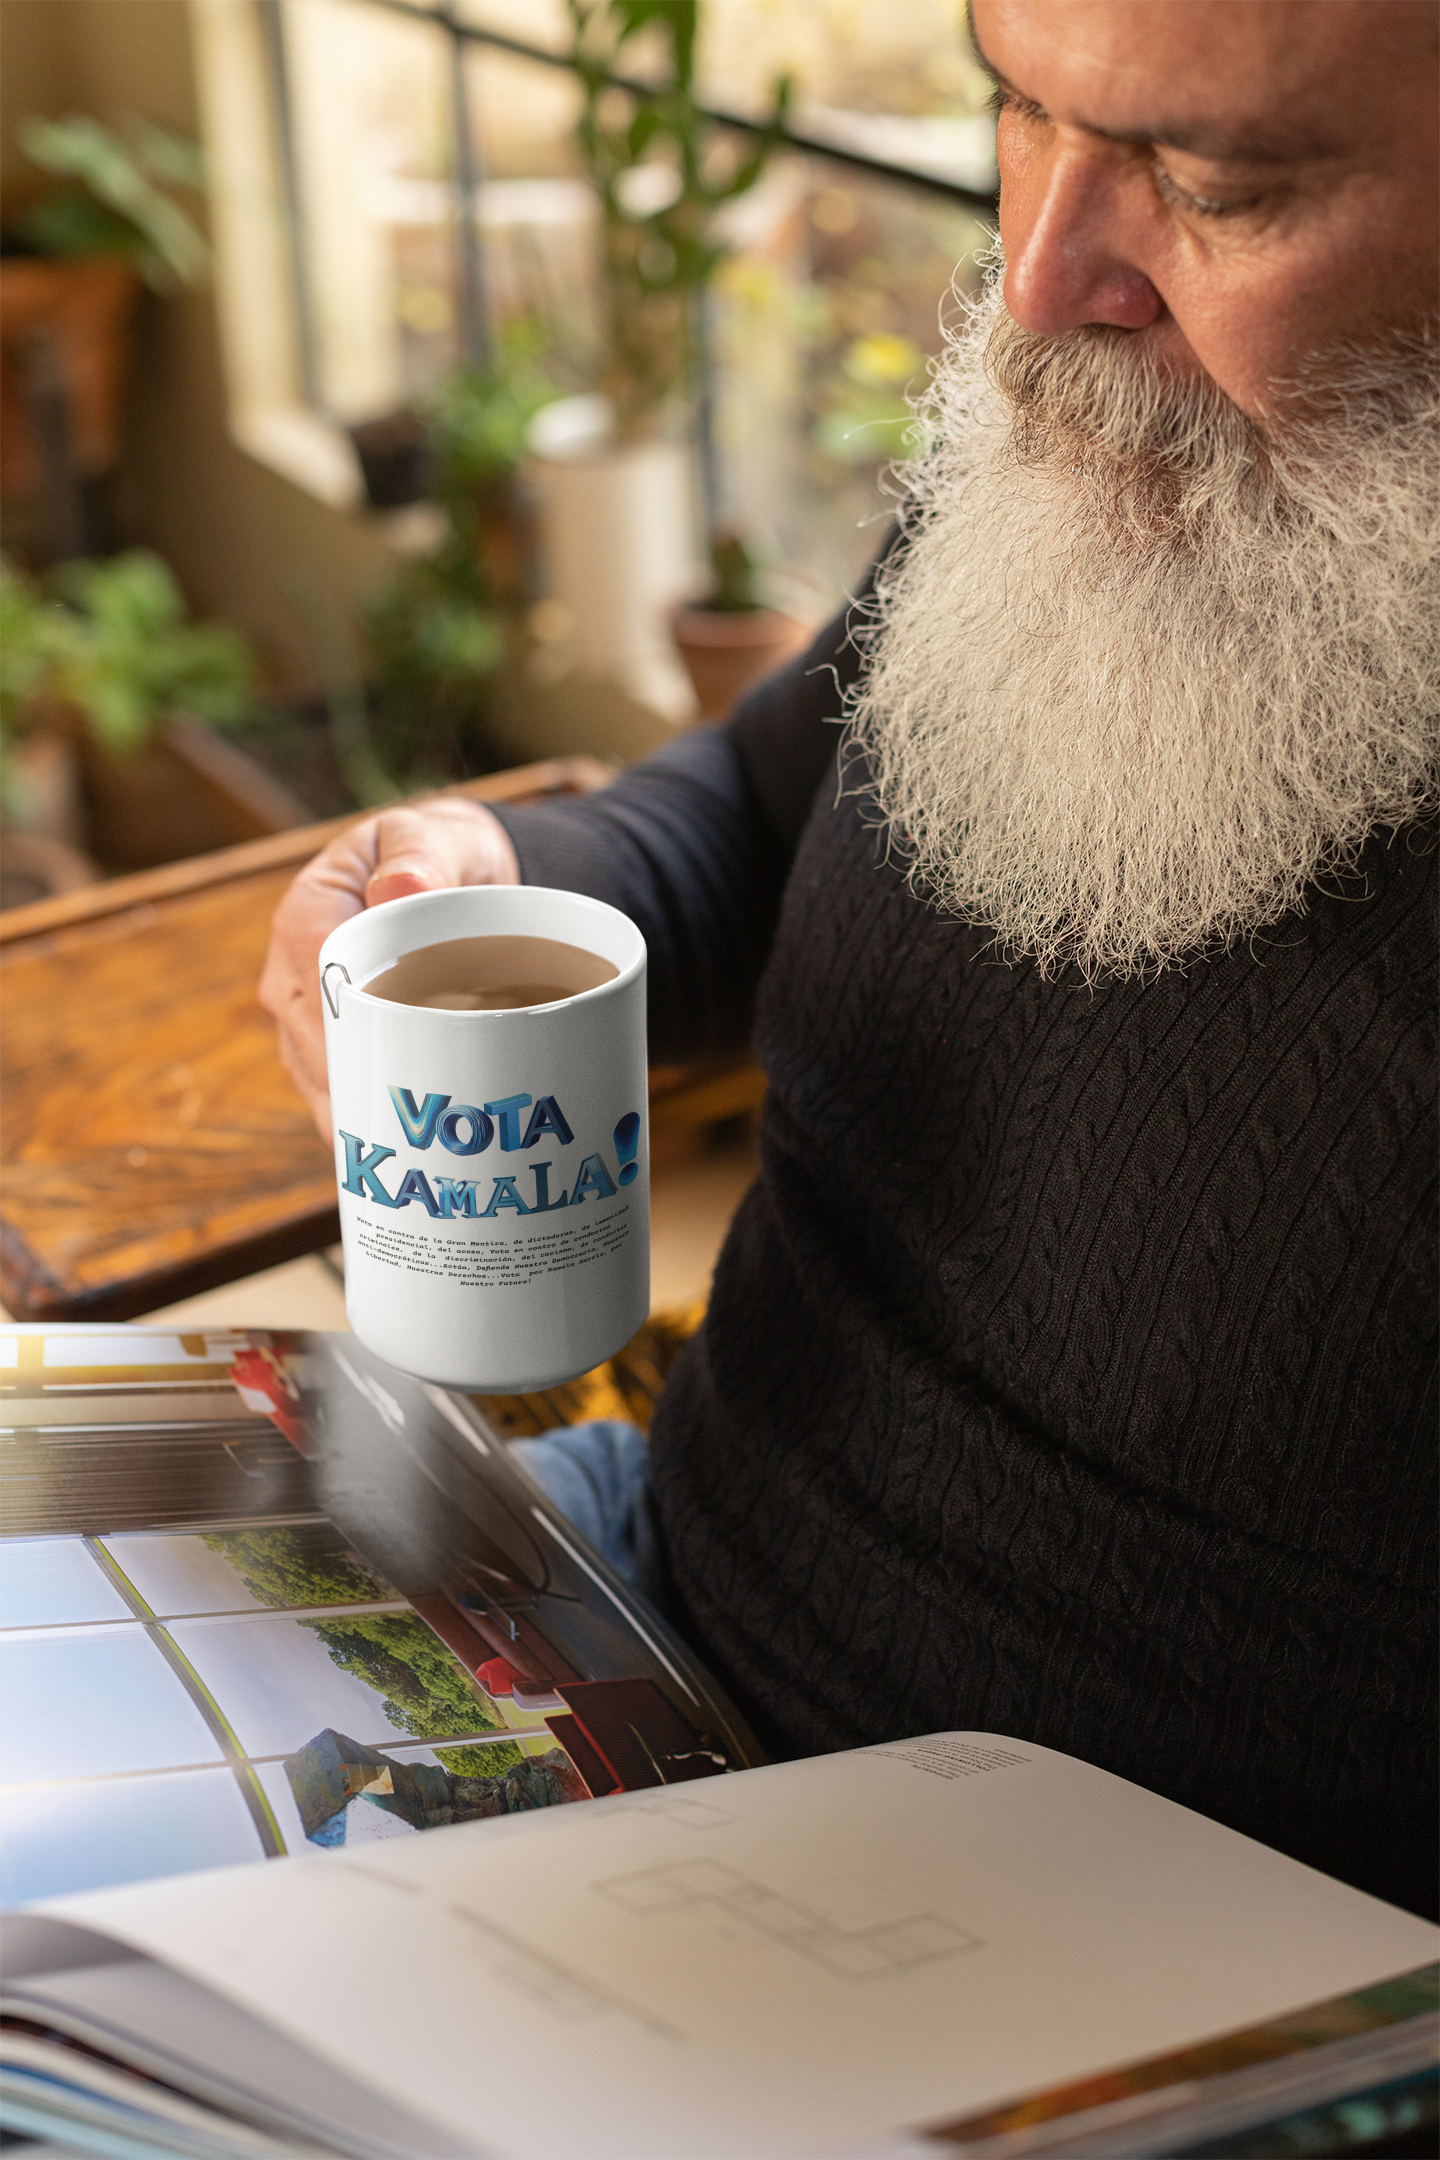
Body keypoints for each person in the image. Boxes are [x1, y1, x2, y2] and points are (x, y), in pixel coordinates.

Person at [261, 0, 1438, 1917]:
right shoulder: (1138, 445)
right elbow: (759, 799)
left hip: (1101, 1956)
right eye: (1016, 105)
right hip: (649, 1573)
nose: (1039, 283)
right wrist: (501, 871)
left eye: (1213, 185)